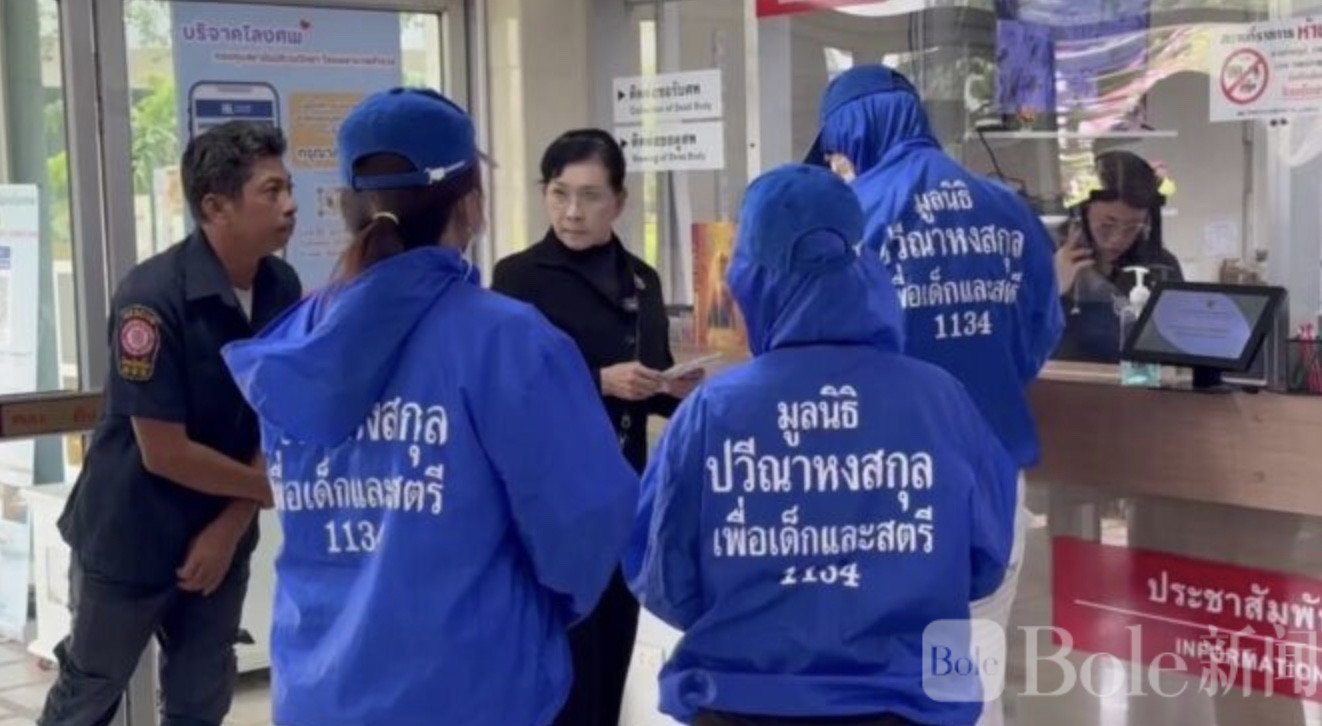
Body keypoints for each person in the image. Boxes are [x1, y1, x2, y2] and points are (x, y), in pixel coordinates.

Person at [221, 88, 638, 726]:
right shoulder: (510, 342)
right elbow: (585, 527)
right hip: (472, 692)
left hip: (319, 692)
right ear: (471, 205)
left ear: (344, 206)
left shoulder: (297, 341)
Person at [626, 163, 1016, 726]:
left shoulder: (712, 412)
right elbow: (986, 561)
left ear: (752, 279)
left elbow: (664, 579)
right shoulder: (941, 401)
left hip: (742, 700)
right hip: (909, 702)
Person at [809, 64, 1062, 726]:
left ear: (856, 130)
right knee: (967, 668)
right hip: (991, 476)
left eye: (837, 145)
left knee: (879, 681)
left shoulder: (850, 217)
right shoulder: (1008, 210)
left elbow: (819, 353)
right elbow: (1039, 334)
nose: (837, 162)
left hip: (884, 485)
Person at [39, 121, 302, 726]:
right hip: (130, 537)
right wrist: (268, 491)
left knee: (200, 698)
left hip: (221, 531)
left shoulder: (281, 287)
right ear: (215, 207)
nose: (290, 205)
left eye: (288, 187)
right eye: (271, 191)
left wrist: (230, 527)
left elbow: (276, 415)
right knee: (89, 693)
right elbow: (164, 451)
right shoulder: (152, 298)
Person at [492, 128, 703, 726]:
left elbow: (650, 377)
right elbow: (508, 391)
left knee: (615, 652)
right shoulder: (518, 279)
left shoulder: (642, 279)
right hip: (549, 503)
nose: (572, 211)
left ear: (620, 202)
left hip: (622, 497)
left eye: (589, 196)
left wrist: (673, 390)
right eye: (559, 194)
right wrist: (598, 380)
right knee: (561, 662)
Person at [1053, 150, 1184, 363]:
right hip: (1062, 381)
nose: (1117, 239)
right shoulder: (1047, 258)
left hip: (1141, 382)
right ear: (1081, 213)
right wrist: (1052, 289)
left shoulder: (1162, 267)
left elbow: (1178, 347)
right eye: (1106, 225)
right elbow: (1019, 341)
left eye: (1132, 227)